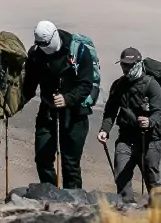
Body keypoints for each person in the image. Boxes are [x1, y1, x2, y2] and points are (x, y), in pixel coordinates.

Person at [20, 21, 101, 189]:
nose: (44, 48)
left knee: (70, 164)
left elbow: (86, 84)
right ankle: (51, 195)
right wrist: (13, 105)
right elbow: (29, 86)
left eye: (46, 44)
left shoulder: (78, 51)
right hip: (48, 111)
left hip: (75, 114)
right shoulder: (36, 55)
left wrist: (67, 99)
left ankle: (73, 203)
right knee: (42, 159)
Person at [97, 47, 161, 202]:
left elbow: (159, 113)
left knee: (152, 179)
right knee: (121, 176)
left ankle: (159, 213)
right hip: (126, 139)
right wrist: (105, 129)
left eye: (129, 65)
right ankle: (126, 211)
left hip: (149, 140)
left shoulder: (151, 85)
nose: (125, 68)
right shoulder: (118, 85)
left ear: (138, 64)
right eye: (123, 65)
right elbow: (110, 111)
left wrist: (149, 121)